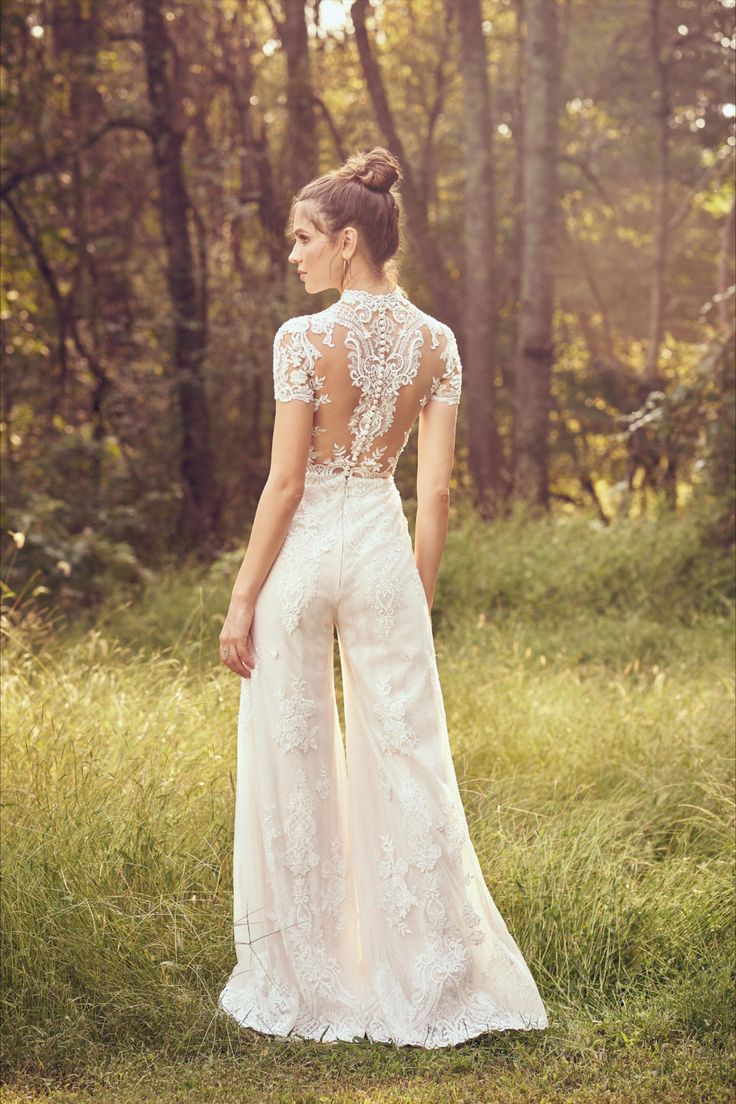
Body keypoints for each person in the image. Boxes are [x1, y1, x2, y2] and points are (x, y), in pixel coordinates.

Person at [217, 147, 548, 1047]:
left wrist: (243, 598)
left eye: (303, 238)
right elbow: (435, 494)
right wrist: (416, 594)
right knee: (406, 760)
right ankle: (431, 979)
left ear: (349, 240)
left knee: (294, 758)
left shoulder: (300, 339)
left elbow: (284, 484)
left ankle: (310, 983)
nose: (294, 254)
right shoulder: (437, 345)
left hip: (305, 553)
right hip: (378, 550)